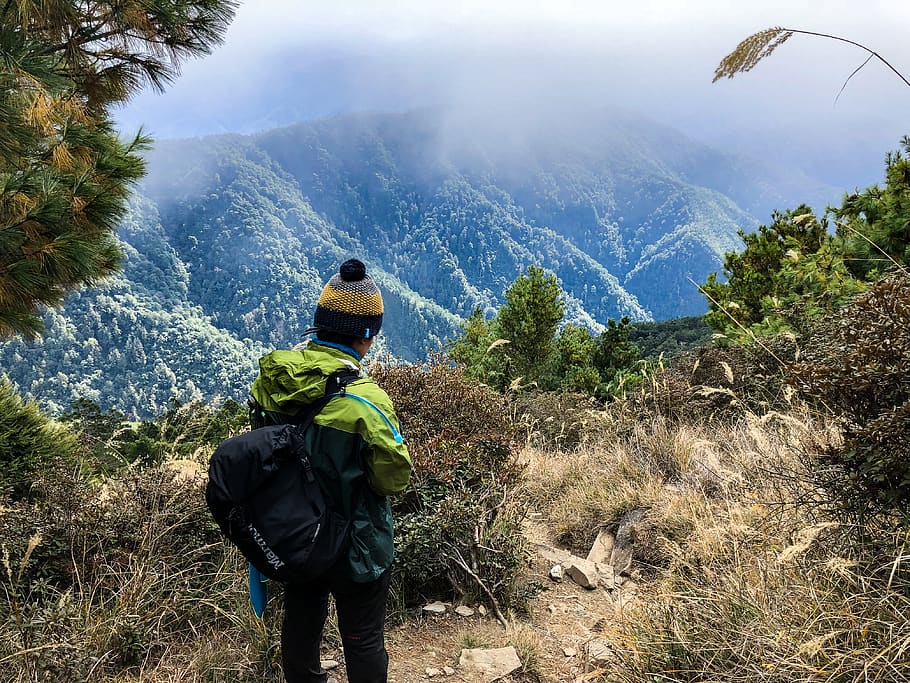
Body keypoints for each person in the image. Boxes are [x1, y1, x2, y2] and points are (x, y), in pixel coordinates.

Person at [249, 258, 413, 683]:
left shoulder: (273, 383)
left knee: (301, 626)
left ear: (320, 326)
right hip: (356, 544)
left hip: (296, 534)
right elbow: (393, 478)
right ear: (366, 336)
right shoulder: (366, 403)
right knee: (362, 639)